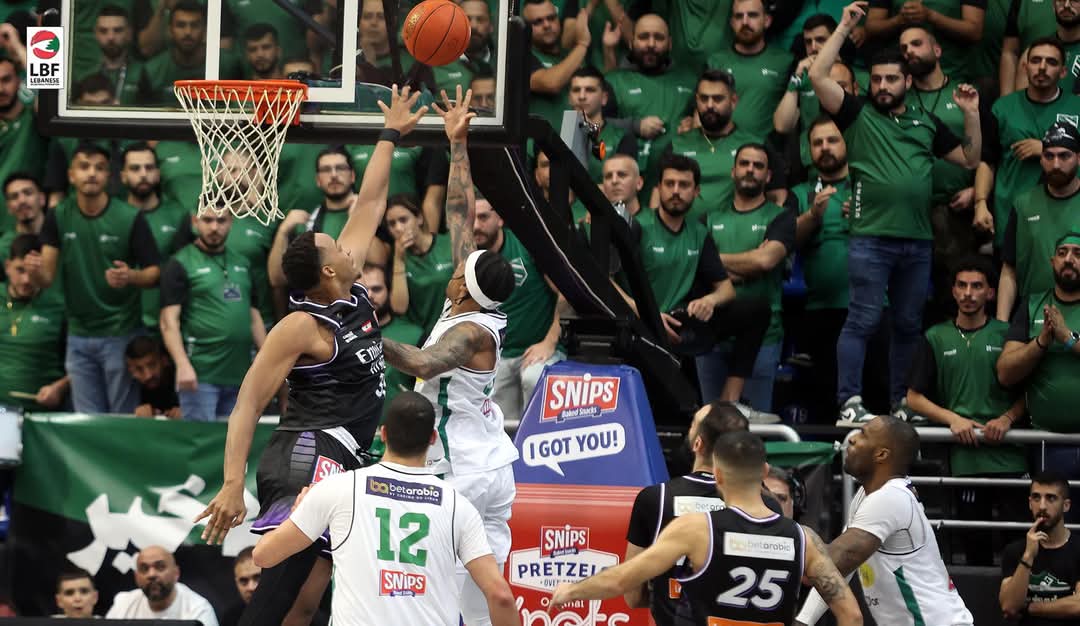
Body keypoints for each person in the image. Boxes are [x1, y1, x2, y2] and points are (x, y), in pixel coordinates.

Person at [196, 86, 429, 626]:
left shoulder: (349, 285)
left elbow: (369, 203)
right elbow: (248, 403)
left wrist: (389, 134)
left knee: (306, 602)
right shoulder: (301, 326)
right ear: (328, 270)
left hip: (344, 454)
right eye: (335, 245)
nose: (346, 245)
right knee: (279, 589)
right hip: (307, 453)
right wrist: (231, 482)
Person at [380, 87, 519, 626]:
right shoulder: (470, 298)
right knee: (484, 599)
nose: (455, 264)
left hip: (463, 468)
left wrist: (362, 334)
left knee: (432, 586)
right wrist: (457, 143)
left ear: (465, 287)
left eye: (461, 268)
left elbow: (421, 363)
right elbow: (461, 212)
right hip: (491, 462)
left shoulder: (468, 332)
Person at [812, 3, 983, 427]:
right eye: (877, 79)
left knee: (908, 325)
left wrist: (971, 115)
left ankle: (902, 403)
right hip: (870, 238)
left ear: (908, 81)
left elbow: (970, 158)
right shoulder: (856, 113)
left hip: (918, 242)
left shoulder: (927, 123)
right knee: (863, 320)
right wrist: (844, 26)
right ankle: (849, 400)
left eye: (891, 79)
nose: (883, 86)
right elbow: (817, 75)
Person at [251, 392, 518, 626]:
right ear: (433, 438)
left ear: (384, 433)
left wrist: (298, 512)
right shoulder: (459, 505)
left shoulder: (338, 488)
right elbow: (500, 596)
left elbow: (264, 556)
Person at [551, 431, 864, 626]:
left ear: (718, 476)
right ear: (765, 471)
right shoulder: (803, 538)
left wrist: (571, 591)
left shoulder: (697, 529)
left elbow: (623, 579)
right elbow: (851, 615)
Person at [794, 415, 974, 626]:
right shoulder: (867, 495)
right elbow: (840, 569)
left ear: (881, 454)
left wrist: (792, 536)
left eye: (863, 434)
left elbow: (833, 561)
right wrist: (804, 621)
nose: (852, 438)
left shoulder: (890, 498)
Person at [906, 255, 1027, 565]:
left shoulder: (1008, 334)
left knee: (1018, 545)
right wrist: (954, 419)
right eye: (962, 285)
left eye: (977, 286)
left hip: (1010, 455)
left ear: (990, 293)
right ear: (953, 291)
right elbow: (914, 398)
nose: (968, 293)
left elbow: (1033, 392)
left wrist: (1007, 418)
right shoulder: (935, 336)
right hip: (965, 457)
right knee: (975, 548)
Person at [635, 153, 772, 420]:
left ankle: (729, 402)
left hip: (679, 325)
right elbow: (606, 282)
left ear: (696, 191)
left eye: (684, 185)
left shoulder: (698, 233)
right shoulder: (639, 227)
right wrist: (647, 314)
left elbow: (726, 290)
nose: (676, 191)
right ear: (658, 188)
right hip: (642, 326)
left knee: (755, 310)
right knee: (673, 415)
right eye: (670, 184)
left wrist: (710, 300)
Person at [30, 143, 161, 414]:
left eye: (99, 168)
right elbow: (46, 278)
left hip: (121, 332)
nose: (91, 173)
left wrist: (130, 276)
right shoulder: (58, 215)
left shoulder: (129, 217)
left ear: (109, 176)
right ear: (71, 175)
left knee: (122, 420)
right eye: (84, 167)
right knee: (86, 420)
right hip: (78, 335)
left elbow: (154, 273)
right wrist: (35, 272)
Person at [621, 401, 748, 625]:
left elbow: (632, 595)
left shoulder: (656, 498)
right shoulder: (763, 503)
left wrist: (670, 599)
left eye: (693, 424)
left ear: (698, 443)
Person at [701, 143, 795, 412]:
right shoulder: (709, 218)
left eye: (758, 166)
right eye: (744, 164)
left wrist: (716, 261)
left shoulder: (781, 218)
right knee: (711, 423)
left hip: (764, 336)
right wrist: (749, 263)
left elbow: (765, 261)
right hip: (714, 332)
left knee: (752, 426)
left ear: (768, 176)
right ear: (733, 171)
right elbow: (697, 267)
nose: (750, 170)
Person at [160, 212, 267, 421]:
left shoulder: (242, 262)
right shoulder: (180, 263)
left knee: (235, 440)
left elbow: (254, 317)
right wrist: (182, 364)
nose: (214, 227)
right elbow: (168, 322)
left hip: (241, 375)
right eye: (207, 220)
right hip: (200, 375)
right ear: (195, 221)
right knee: (201, 438)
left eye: (221, 220)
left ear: (231, 222)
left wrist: (266, 360)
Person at [982, 37, 1080, 250]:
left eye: (1051, 62)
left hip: (1070, 216)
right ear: (1025, 67)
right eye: (1036, 60)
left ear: (1063, 72)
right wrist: (980, 203)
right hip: (1012, 211)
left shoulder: (1077, 107)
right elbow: (987, 161)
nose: (1042, 67)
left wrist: (1044, 149)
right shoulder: (1002, 108)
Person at [475, 196, 564, 423]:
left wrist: (550, 341)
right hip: (499, 356)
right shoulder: (470, 258)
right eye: (471, 219)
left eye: (483, 217)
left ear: (500, 218)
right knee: (497, 420)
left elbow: (565, 294)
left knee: (534, 378)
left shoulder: (526, 245)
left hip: (540, 349)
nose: (476, 225)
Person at [998, 231, 1080, 473]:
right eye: (1062, 253)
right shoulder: (1033, 305)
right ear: (1052, 262)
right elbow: (1005, 373)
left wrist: (1067, 338)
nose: (1069, 259)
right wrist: (1041, 341)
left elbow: (1067, 337)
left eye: (1078, 253)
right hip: (1046, 441)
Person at [998, 122, 1080, 320]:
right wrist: (1002, 322)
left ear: (1079, 158)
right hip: (1033, 313)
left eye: (1064, 156)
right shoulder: (1023, 205)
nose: (1056, 164)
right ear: (1041, 159)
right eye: (1049, 156)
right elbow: (1009, 269)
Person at [119, 143, 187, 331]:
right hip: (121, 321)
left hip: (166, 320)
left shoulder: (178, 215)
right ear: (123, 176)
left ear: (158, 173)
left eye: (149, 168)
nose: (143, 174)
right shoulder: (113, 215)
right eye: (135, 168)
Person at [360, 262, 424, 461]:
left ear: (389, 291)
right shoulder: (340, 335)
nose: (370, 295)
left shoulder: (415, 335)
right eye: (364, 290)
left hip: (402, 443)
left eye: (377, 289)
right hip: (355, 441)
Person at [999, 472, 1080, 623]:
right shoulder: (1015, 551)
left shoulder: (1077, 549)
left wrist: (1030, 608)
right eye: (1036, 498)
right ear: (1030, 503)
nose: (1042, 506)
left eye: (1051, 498)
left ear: (1066, 505)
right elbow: (1009, 607)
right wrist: (1028, 556)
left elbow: (1078, 605)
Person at [706, 0, 793, 138]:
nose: (745, 22)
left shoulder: (785, 62)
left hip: (766, 148)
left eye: (752, 15)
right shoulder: (715, 62)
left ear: (767, 21)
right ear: (732, 23)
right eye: (739, 16)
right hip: (722, 146)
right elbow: (702, 110)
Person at [386, 195, 455, 337]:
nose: (398, 228)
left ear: (419, 218)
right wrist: (399, 259)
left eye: (403, 220)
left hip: (455, 327)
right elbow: (399, 308)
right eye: (392, 224)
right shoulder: (393, 259)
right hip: (425, 336)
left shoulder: (448, 243)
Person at [105, 545, 218, 625]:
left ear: (176, 573)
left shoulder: (198, 609)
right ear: (136, 577)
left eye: (160, 567)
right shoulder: (124, 603)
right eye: (144, 568)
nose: (151, 574)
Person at [524, 0, 590, 130]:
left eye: (551, 18)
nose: (547, 25)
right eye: (537, 22)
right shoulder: (522, 56)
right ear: (525, 28)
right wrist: (582, 44)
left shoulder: (570, 55)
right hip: (540, 141)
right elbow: (551, 83)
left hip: (575, 137)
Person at [568, 67, 638, 185]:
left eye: (590, 90)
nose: (581, 96)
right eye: (576, 90)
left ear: (604, 98)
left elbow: (621, 187)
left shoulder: (622, 138)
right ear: (569, 98)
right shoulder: (557, 135)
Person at [124, 335, 180, 418]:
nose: (148, 375)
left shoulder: (181, 379)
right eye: (139, 369)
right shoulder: (133, 389)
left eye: (152, 365)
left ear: (165, 360)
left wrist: (186, 411)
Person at [0, 172, 47, 269]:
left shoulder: (63, 235)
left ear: (42, 199)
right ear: (8, 207)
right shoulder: (3, 249)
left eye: (28, 193)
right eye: (14, 197)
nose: (22, 201)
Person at [221, 547, 261, 626]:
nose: (251, 587)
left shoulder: (286, 611)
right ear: (236, 583)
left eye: (257, 578)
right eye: (243, 581)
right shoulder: (231, 618)